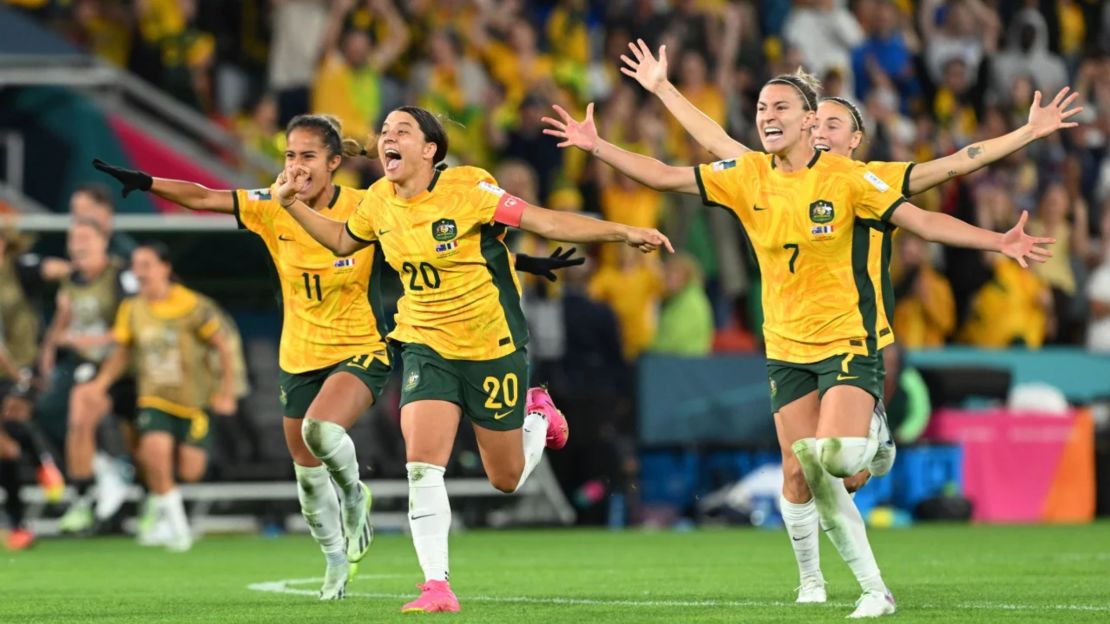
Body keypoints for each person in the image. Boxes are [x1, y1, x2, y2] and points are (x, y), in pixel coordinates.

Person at [541, 71, 1051, 618]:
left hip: (849, 339)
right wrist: (601, 145)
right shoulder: (748, 174)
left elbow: (926, 213)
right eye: (761, 106)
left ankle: (875, 502)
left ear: (814, 123)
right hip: (785, 348)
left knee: (835, 459)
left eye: (781, 106)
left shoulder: (855, 179)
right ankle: (817, 582)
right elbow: (667, 173)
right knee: (799, 469)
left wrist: (997, 237)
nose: (767, 115)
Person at [93, 114, 581, 599]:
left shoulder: (367, 203)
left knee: (323, 430)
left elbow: (429, 242)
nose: (296, 166)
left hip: (362, 347)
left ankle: (355, 496)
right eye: (289, 156)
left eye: (307, 156)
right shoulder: (271, 204)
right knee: (306, 474)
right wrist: (148, 181)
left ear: (333, 163)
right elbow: (203, 197)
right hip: (299, 354)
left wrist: (518, 259)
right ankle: (334, 560)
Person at [275, 105, 671, 613]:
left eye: (402, 131)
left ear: (429, 149)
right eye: (384, 132)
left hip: (492, 347)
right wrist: (290, 205)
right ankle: (436, 586)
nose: (387, 139)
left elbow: (543, 220)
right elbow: (340, 240)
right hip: (424, 344)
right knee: (421, 465)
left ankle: (536, 416)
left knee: (505, 478)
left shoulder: (469, 189)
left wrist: (621, 231)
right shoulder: (377, 200)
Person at [81, 243, 236, 551]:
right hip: (154, 399)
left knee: (190, 471)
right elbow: (122, 352)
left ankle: (166, 514)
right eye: (136, 266)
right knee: (155, 457)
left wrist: (226, 391)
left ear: (165, 268)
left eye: (146, 265)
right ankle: (178, 531)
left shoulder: (193, 306)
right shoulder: (132, 309)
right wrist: (100, 384)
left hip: (194, 402)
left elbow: (223, 346)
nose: (139, 272)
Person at [41, 218, 139, 534]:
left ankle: (119, 470)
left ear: (102, 243)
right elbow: (63, 320)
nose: (78, 244)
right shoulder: (71, 280)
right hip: (92, 366)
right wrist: (48, 351)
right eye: (73, 238)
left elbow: (132, 330)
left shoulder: (121, 275)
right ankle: (85, 493)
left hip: (130, 368)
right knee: (77, 415)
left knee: (140, 440)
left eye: (85, 237)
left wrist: (87, 344)